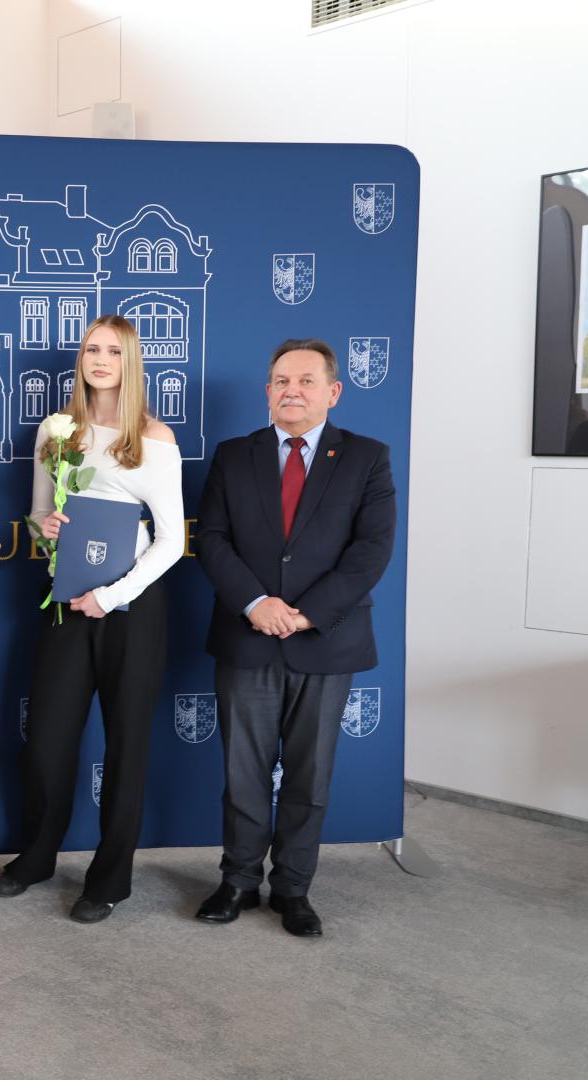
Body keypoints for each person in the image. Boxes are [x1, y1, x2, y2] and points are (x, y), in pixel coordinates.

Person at [192, 338, 396, 937]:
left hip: (326, 641)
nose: (292, 391)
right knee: (243, 774)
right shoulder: (235, 455)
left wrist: (307, 614)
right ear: (268, 391)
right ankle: (238, 881)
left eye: (306, 381)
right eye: (282, 381)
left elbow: (371, 549)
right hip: (248, 635)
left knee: (310, 777)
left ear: (333, 391)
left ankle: (293, 889)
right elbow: (212, 538)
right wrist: (256, 603)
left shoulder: (367, 457)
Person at [0, 314, 185, 923]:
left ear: (131, 362)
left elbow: (172, 540)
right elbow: (37, 517)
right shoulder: (58, 430)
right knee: (48, 738)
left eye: (113, 351)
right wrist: (44, 530)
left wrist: (113, 594)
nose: (100, 360)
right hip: (66, 600)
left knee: (127, 744)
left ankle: (109, 880)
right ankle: (37, 856)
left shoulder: (154, 437)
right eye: (91, 349)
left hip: (131, 608)